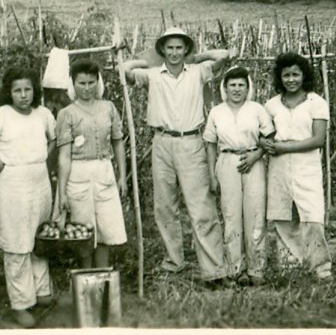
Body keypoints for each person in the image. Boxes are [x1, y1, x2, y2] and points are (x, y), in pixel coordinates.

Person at [123, 27, 230, 287]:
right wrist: (150, 60)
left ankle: (214, 269)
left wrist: (195, 57)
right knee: (165, 207)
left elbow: (225, 55)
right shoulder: (152, 75)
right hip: (161, 142)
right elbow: (124, 70)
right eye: (169, 48)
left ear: (186, 50)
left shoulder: (197, 72)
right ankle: (174, 261)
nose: (174, 53)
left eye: (179, 47)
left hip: (191, 142)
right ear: (162, 50)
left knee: (201, 207)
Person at [261, 53, 332, 280]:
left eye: (295, 74)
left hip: (306, 165)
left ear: (304, 76)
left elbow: (318, 139)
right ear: (279, 78)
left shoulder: (316, 103)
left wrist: (285, 148)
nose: (291, 80)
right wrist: (265, 143)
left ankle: (321, 269)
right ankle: (290, 269)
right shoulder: (271, 105)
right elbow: (263, 134)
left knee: (312, 216)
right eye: (286, 75)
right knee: (283, 217)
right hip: (279, 167)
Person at [203, 67, 274, 286]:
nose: (236, 89)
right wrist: (213, 174)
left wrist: (256, 156)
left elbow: (269, 139)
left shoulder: (257, 109)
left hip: (253, 160)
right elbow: (210, 144)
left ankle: (256, 269)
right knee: (231, 216)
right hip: (227, 162)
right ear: (225, 88)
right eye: (232, 85)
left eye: (241, 85)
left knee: (255, 215)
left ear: (248, 87)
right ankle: (235, 269)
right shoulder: (217, 112)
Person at [56, 59, 127, 268]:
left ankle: (103, 280)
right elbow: (64, 157)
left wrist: (122, 176)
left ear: (98, 82)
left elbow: (117, 142)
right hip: (78, 174)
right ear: (73, 84)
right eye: (81, 83)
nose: (87, 88)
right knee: (83, 232)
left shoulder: (108, 108)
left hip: (104, 171)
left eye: (91, 82)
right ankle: (85, 281)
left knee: (105, 229)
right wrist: (62, 192)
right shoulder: (66, 114)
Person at [0, 67, 56, 328]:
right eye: (17, 90)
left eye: (28, 89)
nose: (23, 95)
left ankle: (42, 291)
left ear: (35, 91)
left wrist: (47, 164)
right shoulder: (3, 115)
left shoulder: (43, 114)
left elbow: (54, 141)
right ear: (8, 92)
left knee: (40, 237)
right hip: (13, 183)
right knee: (16, 242)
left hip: (40, 181)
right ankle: (21, 303)